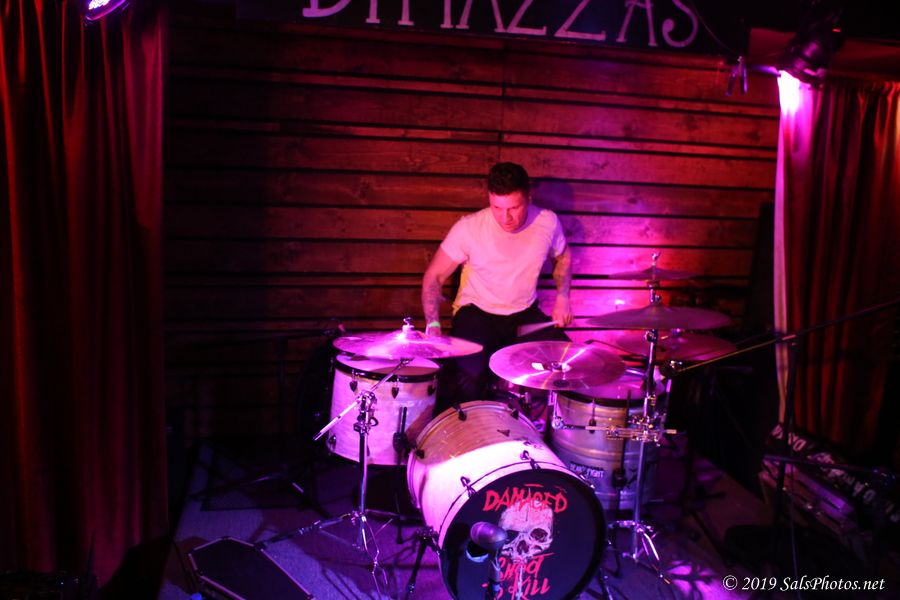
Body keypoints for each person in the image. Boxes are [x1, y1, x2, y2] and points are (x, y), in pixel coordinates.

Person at [421, 162, 573, 411]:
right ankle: (470, 429)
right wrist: (433, 325)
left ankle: (545, 428)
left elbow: (563, 256)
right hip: (477, 313)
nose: (505, 218)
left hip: (524, 315)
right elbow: (434, 276)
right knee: (468, 378)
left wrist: (563, 297)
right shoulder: (469, 227)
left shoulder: (547, 222)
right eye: (497, 208)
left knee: (568, 362)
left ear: (529, 198)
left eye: (514, 208)